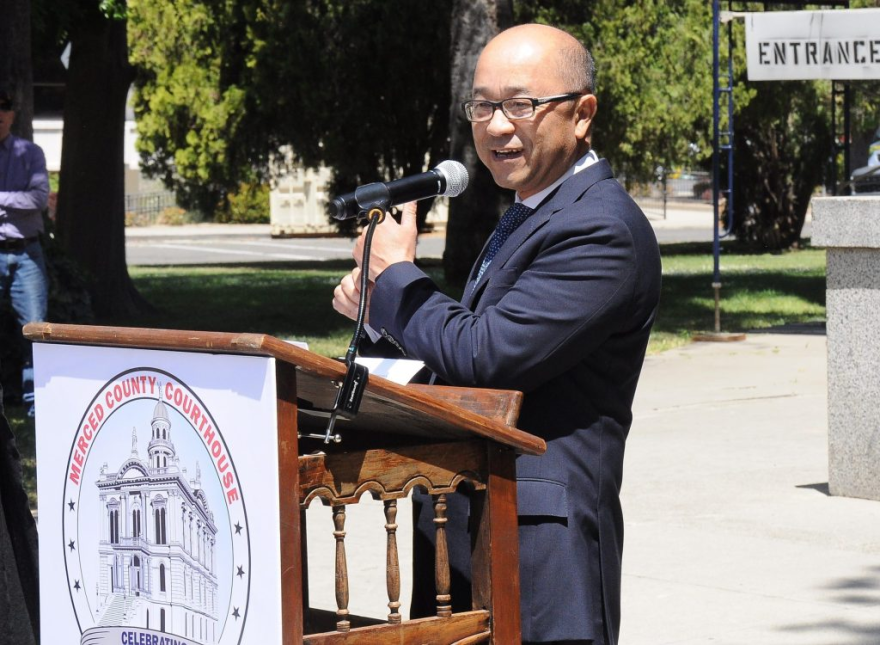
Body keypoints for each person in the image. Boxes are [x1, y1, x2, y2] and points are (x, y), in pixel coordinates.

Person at [333, 24, 661, 645]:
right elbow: (465, 351)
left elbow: (488, 355)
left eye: (521, 105)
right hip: (464, 523)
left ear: (582, 113)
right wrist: (377, 311)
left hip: (538, 551)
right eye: (482, 105)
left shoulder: (601, 230)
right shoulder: (534, 210)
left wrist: (397, 277)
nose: (496, 125)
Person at [0, 88, 50, 417]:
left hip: (27, 253)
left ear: (12, 114)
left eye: (4, 108)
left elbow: (39, 199)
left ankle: (37, 408)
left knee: (36, 331)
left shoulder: (30, 153)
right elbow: (26, 201)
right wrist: (14, 201)